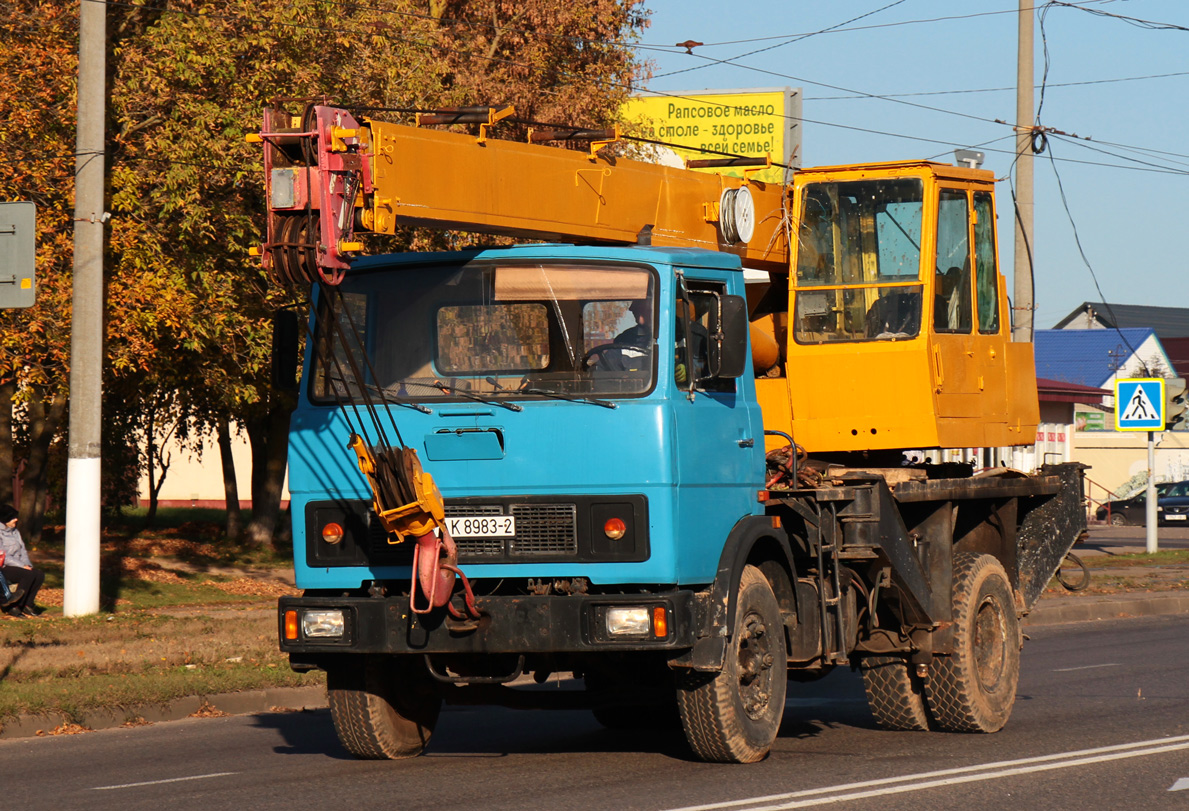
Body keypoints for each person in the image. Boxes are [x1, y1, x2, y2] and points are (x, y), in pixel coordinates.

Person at [0, 505, 45, 617]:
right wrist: (22, 566)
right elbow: (4, 556)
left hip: (18, 565)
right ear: (5, 519)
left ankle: (27, 605)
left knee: (38, 574)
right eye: (13, 518)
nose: (16, 519)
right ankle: (13, 606)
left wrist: (27, 565)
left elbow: (23, 550)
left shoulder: (15, 532)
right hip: (4, 566)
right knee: (27, 575)